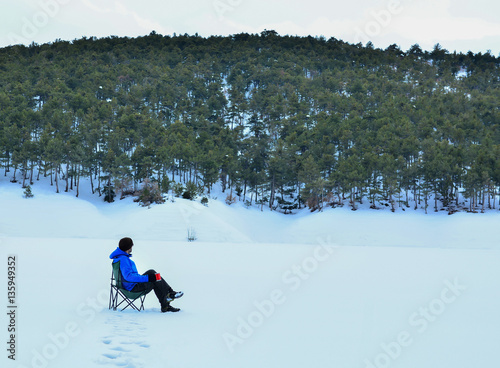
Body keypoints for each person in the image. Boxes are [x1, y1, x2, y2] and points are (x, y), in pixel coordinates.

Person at [109, 237, 183, 313]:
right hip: (132, 289)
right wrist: (147, 278)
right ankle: (168, 298)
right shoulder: (124, 259)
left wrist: (148, 277)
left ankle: (169, 296)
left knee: (152, 273)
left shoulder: (118, 258)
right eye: (131, 245)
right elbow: (129, 277)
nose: (132, 247)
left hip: (128, 286)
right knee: (154, 279)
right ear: (128, 247)